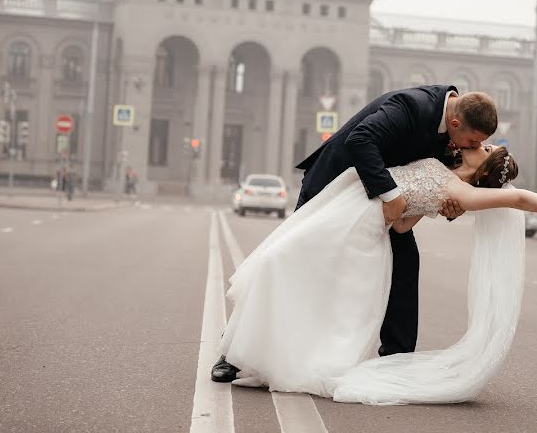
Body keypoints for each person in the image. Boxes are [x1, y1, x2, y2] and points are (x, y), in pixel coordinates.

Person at [217, 144, 537, 404]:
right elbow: (402, 227)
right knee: (278, 266)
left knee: (285, 270)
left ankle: (268, 359)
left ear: (487, 168)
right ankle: (250, 355)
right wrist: (430, 208)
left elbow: (520, 199)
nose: (482, 144)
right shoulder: (443, 169)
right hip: (344, 208)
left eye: (488, 149)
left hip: (358, 229)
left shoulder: (464, 194)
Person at [211, 84, 497, 383]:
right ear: (455, 123)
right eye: (472, 141)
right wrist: (389, 194)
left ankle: (396, 361)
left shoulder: (454, 128)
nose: (470, 148)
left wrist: (448, 206)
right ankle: (233, 354)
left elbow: (436, 178)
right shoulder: (411, 106)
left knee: (405, 263)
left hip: (376, 202)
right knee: (290, 262)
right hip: (334, 187)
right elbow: (360, 140)